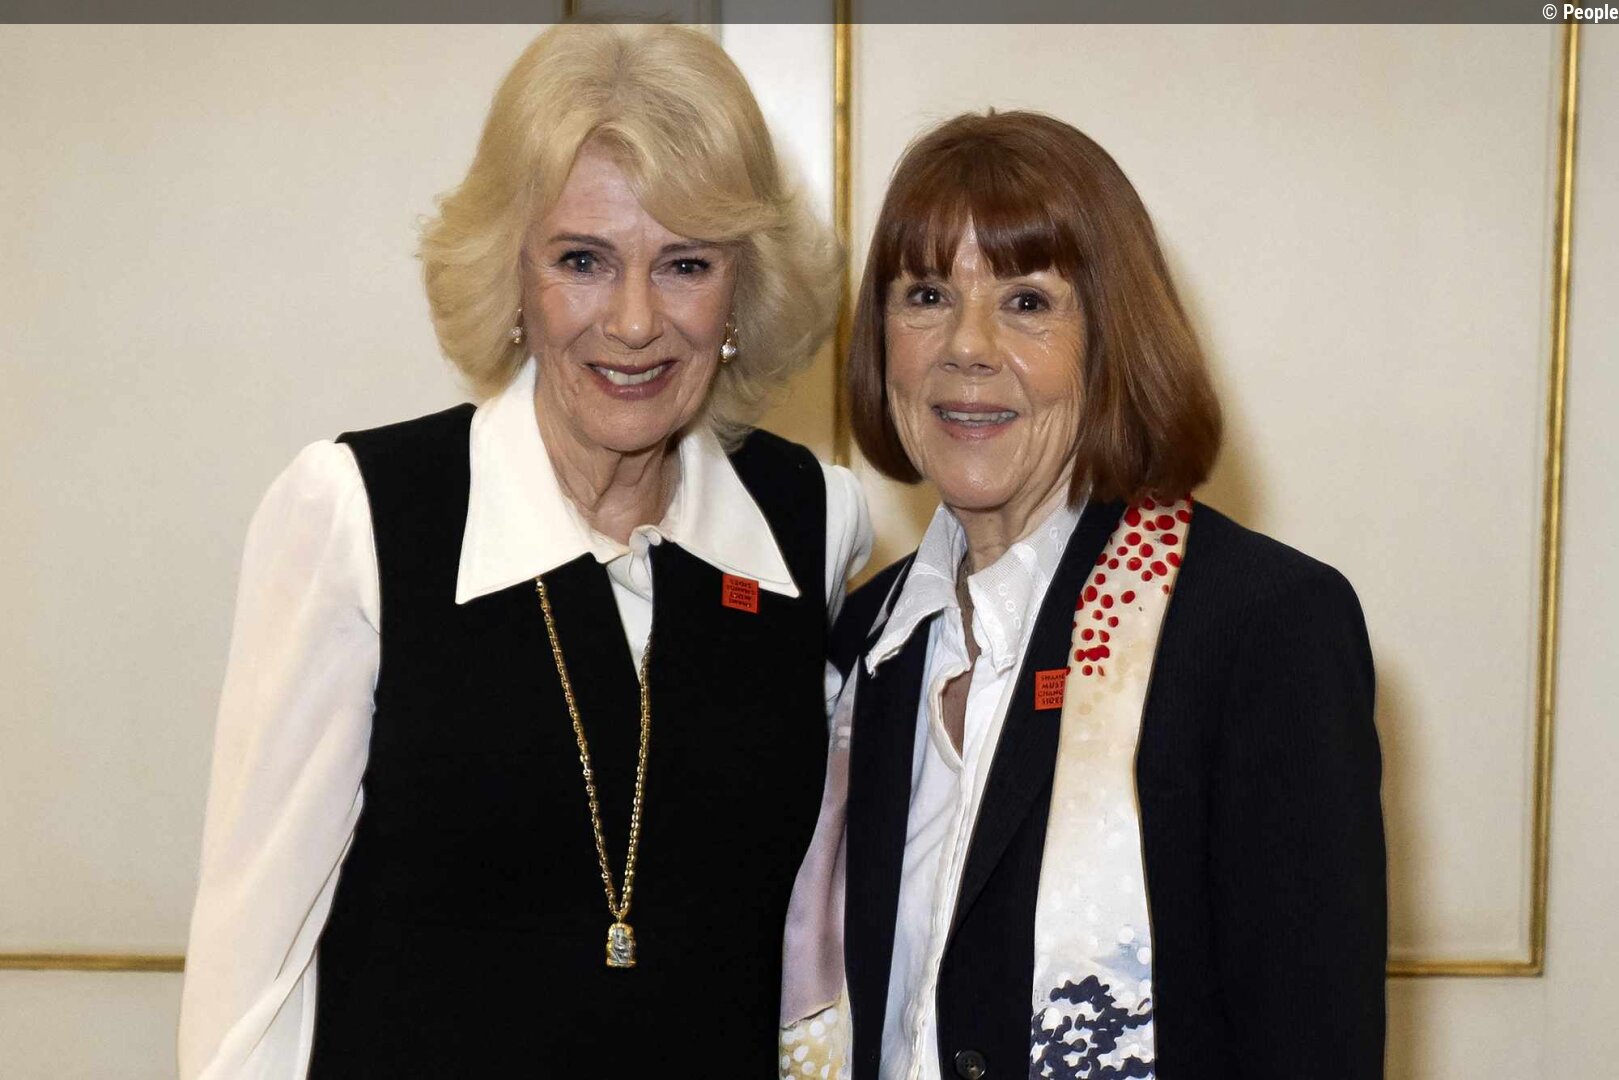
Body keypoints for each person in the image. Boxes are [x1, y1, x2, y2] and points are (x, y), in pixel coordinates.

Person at [178, 24, 870, 1078]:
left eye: (684, 265)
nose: (633, 323)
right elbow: (250, 983)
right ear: (512, 270)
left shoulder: (812, 524)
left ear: (743, 288)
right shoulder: (358, 517)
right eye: (582, 260)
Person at [781, 111, 1385, 1080]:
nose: (965, 347)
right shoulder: (862, 643)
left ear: (1112, 340)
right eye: (926, 295)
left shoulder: (1258, 629)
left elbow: (1310, 1047)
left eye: (1026, 302)